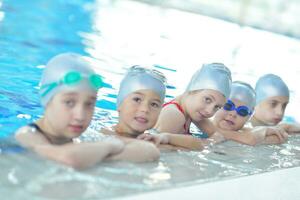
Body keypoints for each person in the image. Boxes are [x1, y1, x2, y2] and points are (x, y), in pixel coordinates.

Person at [15, 53, 157, 170]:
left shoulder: (83, 137)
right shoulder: (27, 135)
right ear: (47, 99)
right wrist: (110, 146)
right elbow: (69, 158)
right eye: (69, 102)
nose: (80, 115)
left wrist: (92, 156)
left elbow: (149, 150)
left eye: (89, 104)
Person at [138, 81, 288, 149]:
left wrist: (284, 127)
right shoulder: (199, 117)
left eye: (242, 112)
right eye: (228, 106)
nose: (232, 114)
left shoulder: (243, 130)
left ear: (249, 117)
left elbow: (278, 137)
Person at [100, 65, 173, 151]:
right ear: (120, 103)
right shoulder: (103, 136)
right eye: (137, 99)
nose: (145, 109)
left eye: (154, 104)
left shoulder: (153, 138)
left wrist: (167, 137)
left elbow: (192, 145)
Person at [153, 63, 232, 136]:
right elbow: (155, 147)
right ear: (191, 90)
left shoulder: (193, 112)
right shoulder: (174, 115)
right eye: (207, 99)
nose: (209, 111)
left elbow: (216, 135)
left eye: (217, 107)